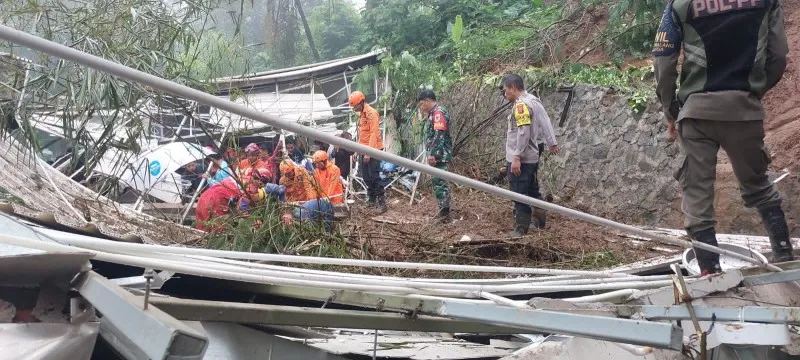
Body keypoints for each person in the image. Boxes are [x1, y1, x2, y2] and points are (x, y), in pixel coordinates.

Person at [653, 0, 793, 275]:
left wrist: (672, 111)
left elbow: (663, 62)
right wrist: (751, 95)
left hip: (697, 115)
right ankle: (785, 255)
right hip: (744, 110)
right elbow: (777, 56)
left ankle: (709, 272)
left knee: (697, 198)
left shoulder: (680, 5)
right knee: (759, 186)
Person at [500, 74, 557, 236]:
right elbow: (545, 121)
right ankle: (539, 220)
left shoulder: (521, 105)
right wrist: (552, 142)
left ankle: (521, 228)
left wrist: (516, 157)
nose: (505, 94)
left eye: (505, 90)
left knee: (518, 191)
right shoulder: (533, 100)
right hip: (532, 154)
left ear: (513, 88)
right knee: (532, 188)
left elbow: (523, 132)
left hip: (521, 157)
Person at [417, 90, 453, 223]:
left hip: (440, 155)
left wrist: (433, 154)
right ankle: (443, 212)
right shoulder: (435, 113)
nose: (422, 107)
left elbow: (439, 135)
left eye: (422, 104)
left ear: (427, 101)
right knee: (439, 182)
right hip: (438, 154)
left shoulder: (438, 113)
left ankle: (444, 215)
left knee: (440, 183)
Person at [349, 90, 387, 214]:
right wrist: (357, 150)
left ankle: (382, 203)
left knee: (374, 176)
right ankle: (371, 199)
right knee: (365, 177)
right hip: (363, 148)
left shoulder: (372, 113)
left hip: (373, 149)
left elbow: (373, 134)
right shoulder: (361, 114)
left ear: (361, 103)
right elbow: (362, 135)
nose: (353, 109)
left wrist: (368, 153)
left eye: (354, 106)